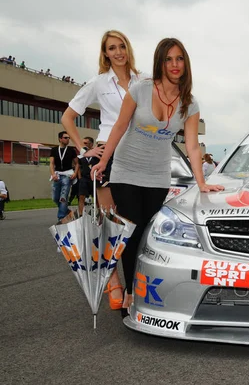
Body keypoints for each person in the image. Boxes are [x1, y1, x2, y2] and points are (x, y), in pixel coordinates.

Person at [91, 37, 224, 317]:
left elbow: (191, 145)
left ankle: (144, 287)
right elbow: (119, 126)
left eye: (179, 59)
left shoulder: (190, 103)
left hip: (157, 176)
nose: (174, 65)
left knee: (146, 235)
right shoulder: (141, 89)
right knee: (132, 230)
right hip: (126, 170)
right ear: (160, 62)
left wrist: (201, 182)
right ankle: (130, 294)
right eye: (169, 59)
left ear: (185, 64)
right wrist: (104, 161)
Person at [61, 29, 145, 310]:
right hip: (107, 154)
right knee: (111, 223)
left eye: (122, 46)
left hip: (138, 155)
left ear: (128, 48)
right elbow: (67, 117)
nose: (118, 52)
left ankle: (137, 282)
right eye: (112, 48)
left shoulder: (143, 80)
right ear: (105, 53)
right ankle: (113, 282)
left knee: (133, 222)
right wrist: (84, 151)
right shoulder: (98, 83)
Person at [49, 131, 78, 223]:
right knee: (55, 197)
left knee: (63, 197)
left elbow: (77, 163)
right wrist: (53, 174)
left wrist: (75, 173)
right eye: (65, 138)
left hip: (67, 175)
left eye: (68, 138)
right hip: (57, 174)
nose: (68, 139)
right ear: (60, 139)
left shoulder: (71, 150)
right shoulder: (54, 150)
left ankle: (61, 217)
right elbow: (51, 163)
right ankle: (67, 211)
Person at [77, 137, 95, 215]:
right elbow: (78, 165)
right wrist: (79, 177)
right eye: (83, 143)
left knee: (97, 197)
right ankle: (81, 215)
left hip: (94, 178)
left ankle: (98, 215)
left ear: (91, 144)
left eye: (85, 143)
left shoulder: (96, 154)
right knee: (81, 197)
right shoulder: (81, 155)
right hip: (84, 178)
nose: (83, 145)